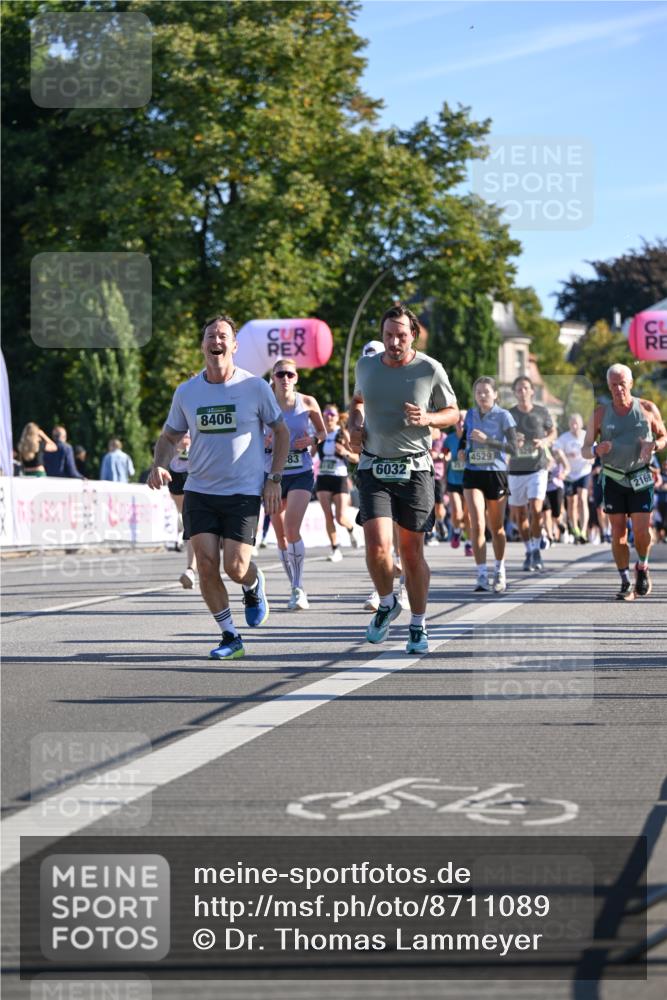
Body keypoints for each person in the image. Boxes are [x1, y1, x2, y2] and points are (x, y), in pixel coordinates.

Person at [147, 314, 289, 659]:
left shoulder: (254, 387)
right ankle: (230, 636)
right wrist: (159, 464)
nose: (217, 341)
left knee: (235, 567)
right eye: (211, 335)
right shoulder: (187, 391)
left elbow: (281, 432)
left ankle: (253, 585)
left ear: (234, 346)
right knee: (207, 564)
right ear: (203, 345)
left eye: (223, 335)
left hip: (243, 491)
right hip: (200, 490)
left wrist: (274, 479)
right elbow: (170, 436)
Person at [349, 304, 459, 654]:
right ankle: (386, 603)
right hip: (373, 466)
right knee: (377, 547)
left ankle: (418, 625)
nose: (394, 342)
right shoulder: (366, 366)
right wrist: (355, 423)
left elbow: (453, 413)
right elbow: (357, 400)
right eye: (388, 335)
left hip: (415, 468)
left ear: (413, 335)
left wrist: (428, 418)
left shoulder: (429, 369)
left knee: (411, 554)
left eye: (401, 335)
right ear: (382, 336)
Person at [583, 363, 666, 600]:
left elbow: (663, 436)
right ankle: (625, 580)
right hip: (614, 477)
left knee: (641, 531)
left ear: (630, 383)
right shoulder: (600, 414)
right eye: (613, 385)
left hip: (640, 475)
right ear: (609, 387)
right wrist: (597, 448)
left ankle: (642, 565)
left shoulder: (647, 408)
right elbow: (584, 450)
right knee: (618, 531)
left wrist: (655, 446)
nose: (619, 389)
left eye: (622, 383)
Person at [267, 357, 326, 610]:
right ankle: (293, 585)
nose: (285, 379)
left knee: (292, 528)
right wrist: (265, 442)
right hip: (271, 475)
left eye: (290, 375)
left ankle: (299, 588)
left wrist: (312, 441)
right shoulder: (264, 401)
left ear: (296, 378)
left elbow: (322, 433)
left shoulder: (308, 402)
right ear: (273, 378)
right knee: (280, 536)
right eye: (280, 375)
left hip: (300, 471)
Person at [460, 377, 518, 594]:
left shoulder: (504, 416)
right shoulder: (471, 415)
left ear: (495, 394)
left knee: (497, 528)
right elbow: (464, 439)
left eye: (486, 392)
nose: (482, 395)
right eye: (478, 392)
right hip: (473, 473)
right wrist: (461, 448)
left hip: (496, 473)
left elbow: (513, 448)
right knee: (476, 524)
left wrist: (488, 441)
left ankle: (500, 569)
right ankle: (481, 574)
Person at [507, 376, 556, 573]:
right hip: (516, 469)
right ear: (515, 393)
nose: (522, 392)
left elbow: (553, 432)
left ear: (532, 391)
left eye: (526, 388)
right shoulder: (509, 414)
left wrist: (545, 442)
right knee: (520, 515)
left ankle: (536, 549)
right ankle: (528, 550)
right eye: (519, 389)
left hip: (538, 467)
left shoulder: (542, 411)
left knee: (536, 508)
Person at [315, 403, 360, 562]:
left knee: (340, 517)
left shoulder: (343, 434)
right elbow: (310, 454)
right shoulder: (320, 435)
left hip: (339, 477)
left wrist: (345, 453)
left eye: (332, 414)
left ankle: (351, 529)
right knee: (328, 517)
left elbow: (357, 457)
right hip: (323, 478)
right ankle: (335, 549)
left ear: (337, 417)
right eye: (326, 414)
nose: (329, 417)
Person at [166, 430, 198, 588]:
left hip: (195, 472)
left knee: (192, 524)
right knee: (189, 524)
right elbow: (165, 442)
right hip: (176, 473)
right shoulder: (174, 418)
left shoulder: (201, 411)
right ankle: (193, 568)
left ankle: (191, 569)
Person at [554, 413, 592, 544]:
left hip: (584, 471)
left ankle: (583, 529)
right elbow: (556, 448)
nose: (574, 426)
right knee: (571, 502)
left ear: (581, 424)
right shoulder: (565, 438)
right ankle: (575, 528)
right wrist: (561, 455)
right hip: (570, 474)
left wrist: (592, 457)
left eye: (577, 423)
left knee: (582, 498)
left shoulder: (586, 436)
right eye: (572, 424)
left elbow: (595, 450)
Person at [442, 410, 470, 552]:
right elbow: (445, 456)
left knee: (468, 515)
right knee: (457, 513)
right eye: (458, 421)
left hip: (469, 481)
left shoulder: (472, 438)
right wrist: (444, 476)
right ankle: (457, 531)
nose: (461, 423)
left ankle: (469, 542)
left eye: (464, 421)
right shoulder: (449, 439)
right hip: (453, 480)